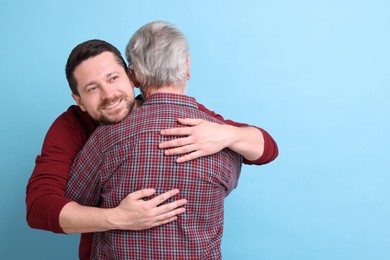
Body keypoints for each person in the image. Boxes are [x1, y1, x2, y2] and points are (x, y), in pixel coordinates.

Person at [26, 27, 278, 260]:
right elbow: (40, 207)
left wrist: (229, 135)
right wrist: (118, 217)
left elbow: (266, 148)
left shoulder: (196, 122)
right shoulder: (73, 127)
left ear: (131, 77)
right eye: (92, 88)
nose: (109, 94)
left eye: (113, 78)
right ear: (79, 100)